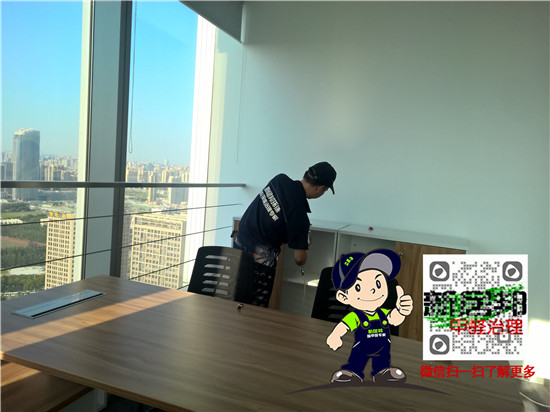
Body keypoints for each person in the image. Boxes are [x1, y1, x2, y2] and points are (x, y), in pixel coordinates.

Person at [233, 161, 337, 306]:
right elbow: (299, 258)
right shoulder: (299, 216)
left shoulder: (279, 180)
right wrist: (301, 237)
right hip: (259, 265)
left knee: (235, 300)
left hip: (237, 249)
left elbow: (274, 215)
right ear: (321, 188)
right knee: (255, 310)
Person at [326, 249, 413, 384]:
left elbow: (394, 319)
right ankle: (353, 372)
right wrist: (335, 336)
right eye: (359, 287)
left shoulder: (382, 312)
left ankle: (382, 372)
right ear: (343, 297)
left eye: (378, 283)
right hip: (362, 347)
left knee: (383, 361)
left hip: (383, 348)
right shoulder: (356, 316)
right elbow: (343, 326)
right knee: (357, 360)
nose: (372, 290)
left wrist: (401, 311)